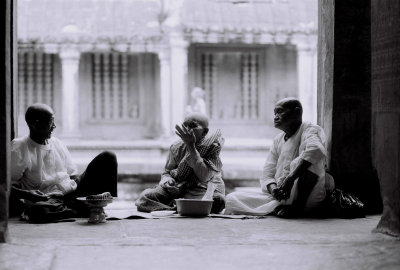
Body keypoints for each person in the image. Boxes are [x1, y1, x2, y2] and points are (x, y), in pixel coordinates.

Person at [225, 97, 334, 218]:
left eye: (280, 112)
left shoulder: (309, 129)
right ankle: (280, 206)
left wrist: (291, 178)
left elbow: (316, 149)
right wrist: (274, 189)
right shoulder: (278, 140)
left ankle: (297, 207)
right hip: (282, 196)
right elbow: (268, 173)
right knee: (232, 199)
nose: (276, 116)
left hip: (307, 197)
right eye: (274, 113)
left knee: (305, 161)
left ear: (297, 112)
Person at [10, 103, 118, 223]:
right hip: (49, 199)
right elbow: (6, 186)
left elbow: (73, 175)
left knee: (108, 157)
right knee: (38, 210)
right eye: (50, 122)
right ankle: (83, 210)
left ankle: (92, 205)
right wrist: (29, 195)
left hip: (71, 192)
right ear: (35, 124)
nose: (54, 126)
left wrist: (89, 188)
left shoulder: (57, 143)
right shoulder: (19, 147)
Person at [135, 112, 226, 214]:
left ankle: (179, 208)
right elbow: (167, 172)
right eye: (185, 125)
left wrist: (191, 147)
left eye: (192, 126)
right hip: (179, 190)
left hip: (203, 191)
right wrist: (169, 182)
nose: (187, 129)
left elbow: (204, 176)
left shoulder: (212, 146)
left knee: (219, 201)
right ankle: (179, 209)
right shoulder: (176, 147)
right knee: (145, 198)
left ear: (205, 132)